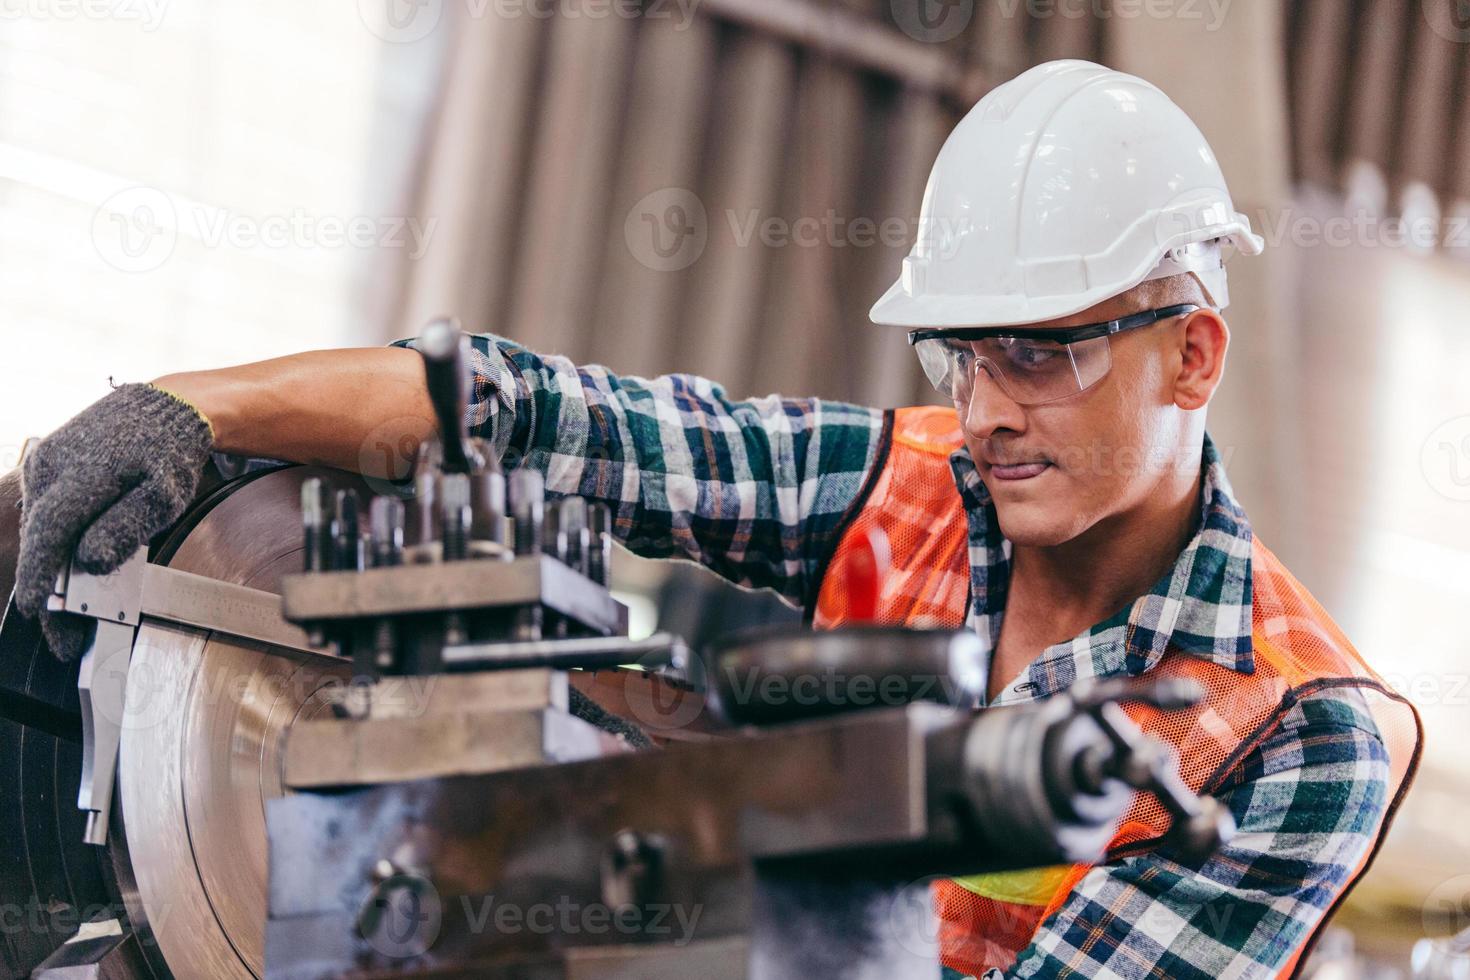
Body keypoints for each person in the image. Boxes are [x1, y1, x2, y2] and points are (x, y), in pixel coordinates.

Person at [12, 60, 1419, 978]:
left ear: (1192, 355)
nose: (983, 409)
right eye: (958, 352)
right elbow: (545, 412)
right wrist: (190, 410)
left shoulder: (1297, 732)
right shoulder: (909, 486)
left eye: (1040, 353)